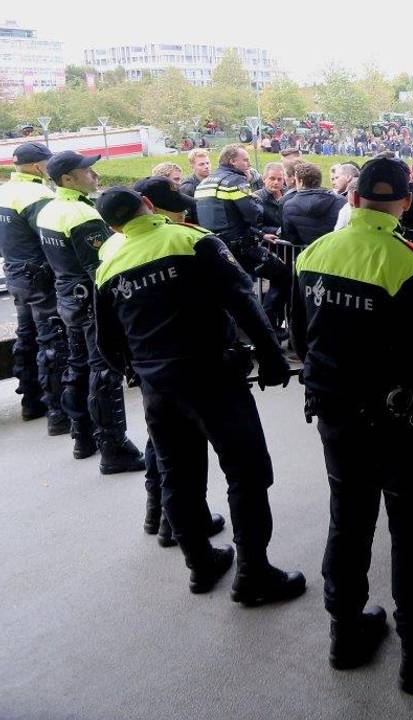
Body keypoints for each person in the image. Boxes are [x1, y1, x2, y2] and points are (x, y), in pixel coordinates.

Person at [289, 158, 413, 691]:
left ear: (352, 200)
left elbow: (302, 338)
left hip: (335, 416)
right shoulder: (412, 267)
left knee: (347, 522)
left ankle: (345, 633)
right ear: (405, 203)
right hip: (401, 427)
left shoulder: (313, 255)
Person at [94, 186, 301, 602]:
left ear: (113, 226)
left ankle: (200, 564)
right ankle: (254, 574)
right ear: (149, 206)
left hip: (158, 388)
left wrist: (141, 372)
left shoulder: (108, 265)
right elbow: (244, 302)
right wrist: (272, 358)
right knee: (246, 472)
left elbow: (106, 343)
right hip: (212, 377)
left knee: (178, 475)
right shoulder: (191, 240)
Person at [125, 177, 223, 548]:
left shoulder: (119, 248)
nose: (183, 210)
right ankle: (176, 523)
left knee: (162, 448)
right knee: (185, 455)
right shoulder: (181, 241)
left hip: (149, 362)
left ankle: (161, 516)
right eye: (175, 204)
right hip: (187, 360)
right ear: (150, 206)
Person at [35, 151, 146, 473]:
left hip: (67, 299)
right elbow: (100, 268)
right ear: (68, 178)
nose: (95, 174)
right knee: (104, 371)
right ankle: (113, 446)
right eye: (87, 170)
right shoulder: (82, 216)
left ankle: (82, 436)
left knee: (78, 365)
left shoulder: (49, 210)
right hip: (90, 303)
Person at [0, 143, 68, 434]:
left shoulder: (4, 191)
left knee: (26, 335)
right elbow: (50, 238)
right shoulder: (38, 194)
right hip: (40, 275)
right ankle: (58, 412)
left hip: (16, 272)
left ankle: (31, 400)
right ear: (39, 166)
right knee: (51, 338)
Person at [281, 162, 346, 247]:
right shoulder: (340, 201)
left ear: (300, 181)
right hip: (336, 250)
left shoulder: (289, 206)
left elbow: (292, 237)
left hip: (309, 253)